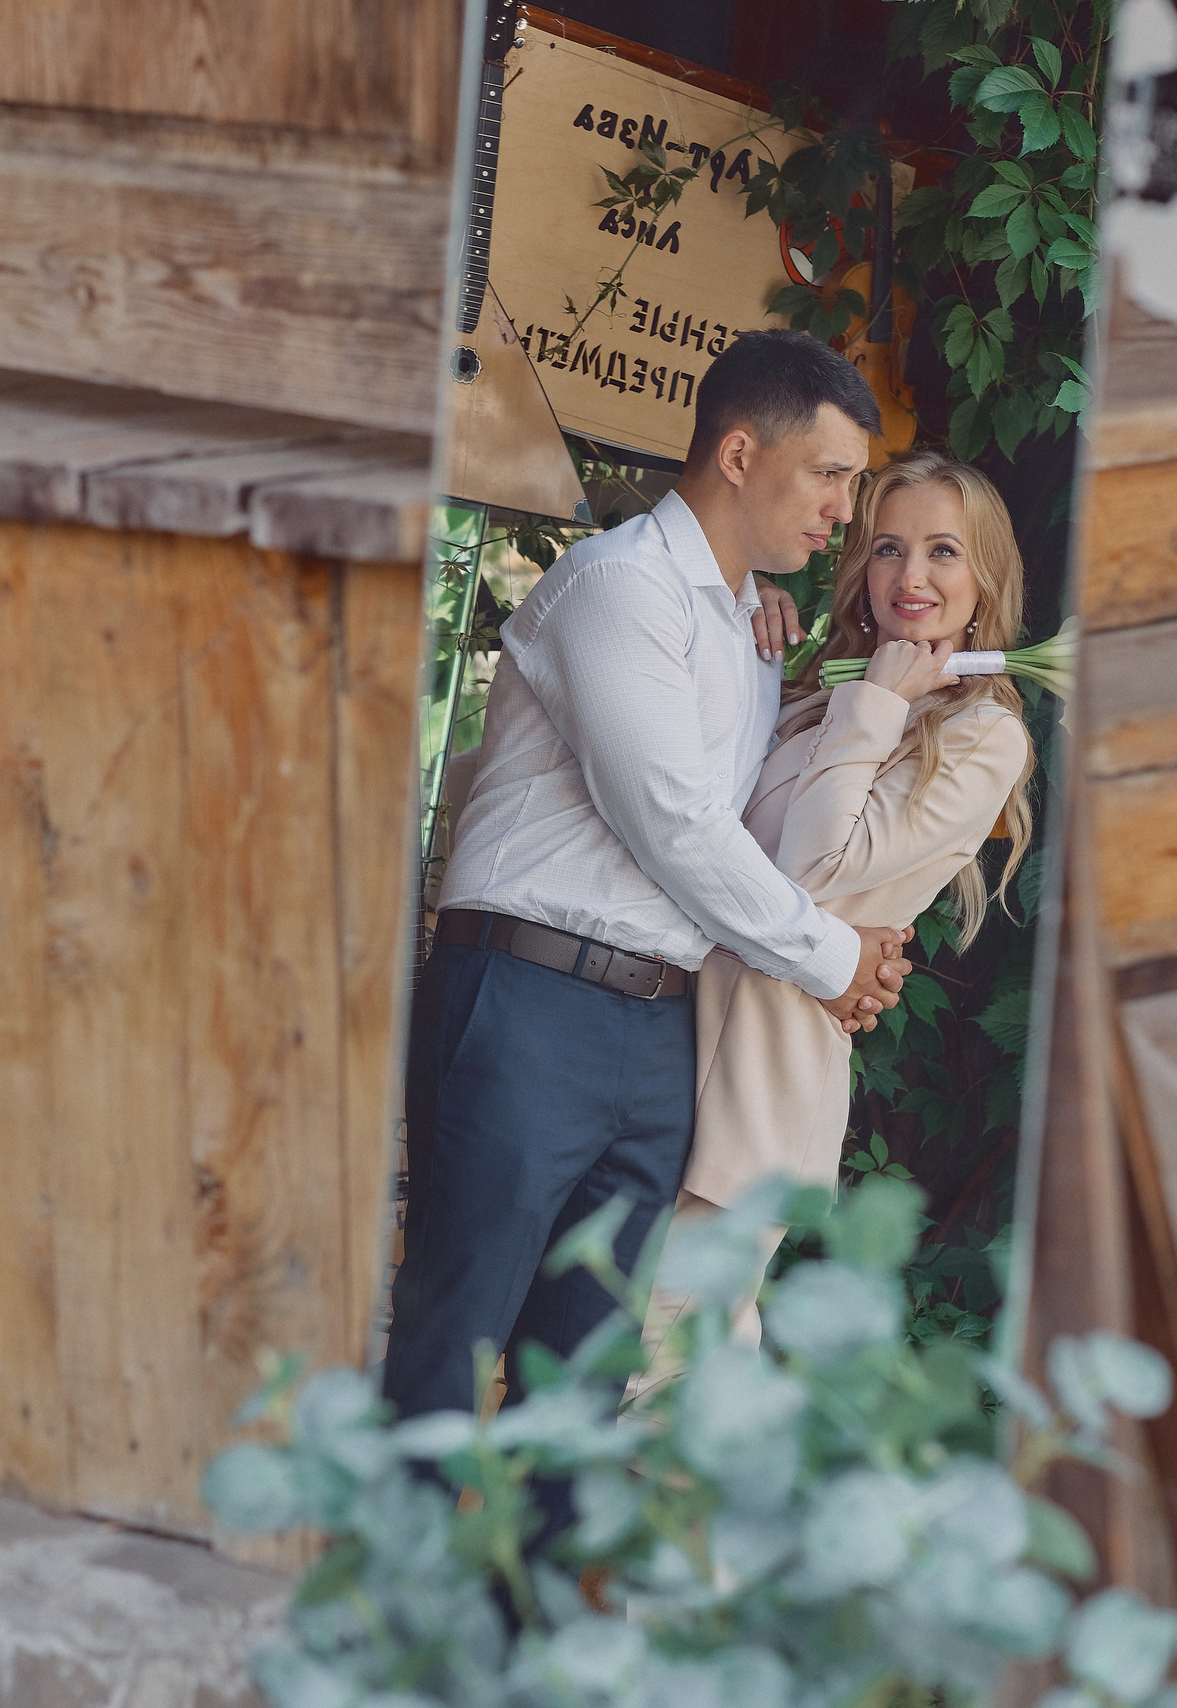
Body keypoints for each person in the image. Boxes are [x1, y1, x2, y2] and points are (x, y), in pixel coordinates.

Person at [382, 331, 913, 1470]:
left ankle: (538, 1642)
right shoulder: (619, 586)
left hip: (661, 1023)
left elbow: (750, 822)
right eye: (828, 475)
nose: (842, 510)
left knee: (586, 1367)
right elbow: (674, 821)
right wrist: (830, 956)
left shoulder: (747, 627)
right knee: (453, 1330)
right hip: (530, 996)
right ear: (736, 451)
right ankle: (385, 1627)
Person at [642, 449, 1037, 1360]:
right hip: (667, 1043)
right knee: (615, 1356)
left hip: (755, 1088)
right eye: (889, 548)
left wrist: (880, 711)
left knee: (668, 1371)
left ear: (985, 576)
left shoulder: (983, 735)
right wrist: (753, 628)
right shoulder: (829, 693)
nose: (913, 577)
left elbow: (810, 879)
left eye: (944, 551)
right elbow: (698, 834)